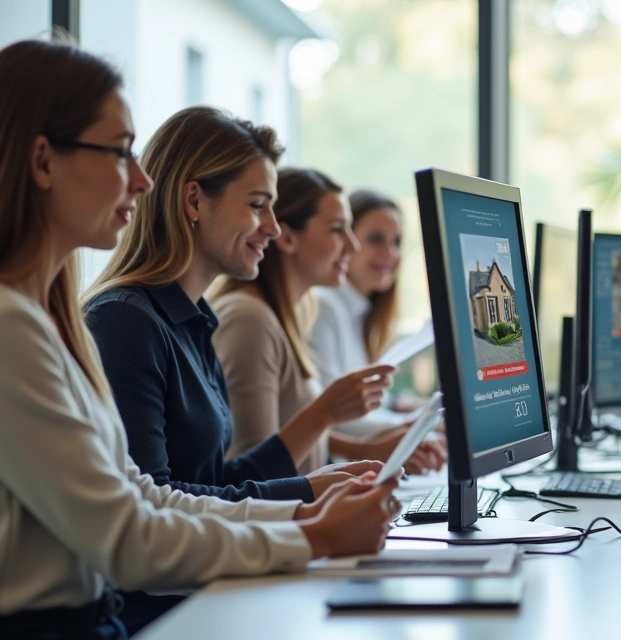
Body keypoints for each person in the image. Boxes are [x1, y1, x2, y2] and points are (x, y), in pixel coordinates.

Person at [0, 39, 397, 640]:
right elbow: (129, 537)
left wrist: (301, 510)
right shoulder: (37, 326)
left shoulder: (54, 321)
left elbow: (141, 494)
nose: (140, 180)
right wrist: (311, 534)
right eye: (118, 154)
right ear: (44, 161)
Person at [85, 107, 389, 505]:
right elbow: (148, 503)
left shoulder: (194, 321)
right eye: (257, 205)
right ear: (194, 200)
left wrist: (324, 479)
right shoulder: (125, 322)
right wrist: (306, 492)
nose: (273, 228)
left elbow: (216, 481)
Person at [210, 168, 443, 473]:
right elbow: (254, 475)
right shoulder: (250, 318)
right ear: (288, 237)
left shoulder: (294, 313)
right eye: (337, 230)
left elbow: (288, 442)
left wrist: (366, 454)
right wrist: (358, 457)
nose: (352, 246)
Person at [308, 189, 446, 470]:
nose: (391, 253)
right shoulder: (324, 306)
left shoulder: (359, 314)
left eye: (396, 242)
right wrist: (415, 425)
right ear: (346, 242)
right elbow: (335, 414)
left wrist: (398, 407)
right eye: (376, 239)